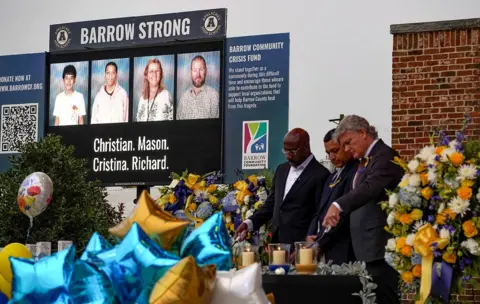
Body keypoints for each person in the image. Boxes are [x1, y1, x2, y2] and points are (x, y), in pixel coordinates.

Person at [322, 115, 403, 304]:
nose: (347, 149)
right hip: (364, 249)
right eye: (343, 146)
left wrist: (338, 205)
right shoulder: (366, 160)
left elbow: (370, 188)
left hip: (380, 247)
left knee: (385, 298)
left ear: (363, 133)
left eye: (348, 142)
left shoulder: (385, 156)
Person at [234, 128, 330, 248]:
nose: (288, 156)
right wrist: (249, 223)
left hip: (302, 246)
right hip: (277, 243)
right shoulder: (281, 170)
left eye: (293, 152)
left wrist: (307, 244)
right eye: (286, 151)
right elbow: (271, 204)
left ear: (306, 147)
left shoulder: (321, 174)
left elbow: (319, 214)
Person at [305, 128, 357, 265]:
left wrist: (320, 243)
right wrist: (310, 237)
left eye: (335, 151)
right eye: (328, 153)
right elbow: (320, 211)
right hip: (322, 248)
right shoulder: (331, 177)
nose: (332, 157)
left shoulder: (355, 173)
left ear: (346, 146)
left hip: (342, 248)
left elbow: (343, 215)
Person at [176, 55, 219, 120]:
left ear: (206, 71)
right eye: (194, 70)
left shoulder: (214, 96)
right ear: (191, 72)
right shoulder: (183, 97)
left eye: (201, 69)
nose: (198, 74)